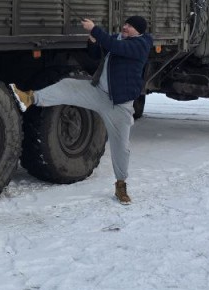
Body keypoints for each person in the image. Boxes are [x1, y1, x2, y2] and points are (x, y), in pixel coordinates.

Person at [10, 15, 152, 205]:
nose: (125, 27)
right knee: (69, 86)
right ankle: (29, 98)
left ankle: (121, 184)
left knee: (121, 147)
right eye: (125, 24)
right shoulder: (118, 39)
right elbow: (96, 54)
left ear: (139, 31)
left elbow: (118, 48)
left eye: (130, 26)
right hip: (99, 93)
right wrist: (93, 42)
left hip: (120, 105)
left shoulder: (141, 44)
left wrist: (95, 30)